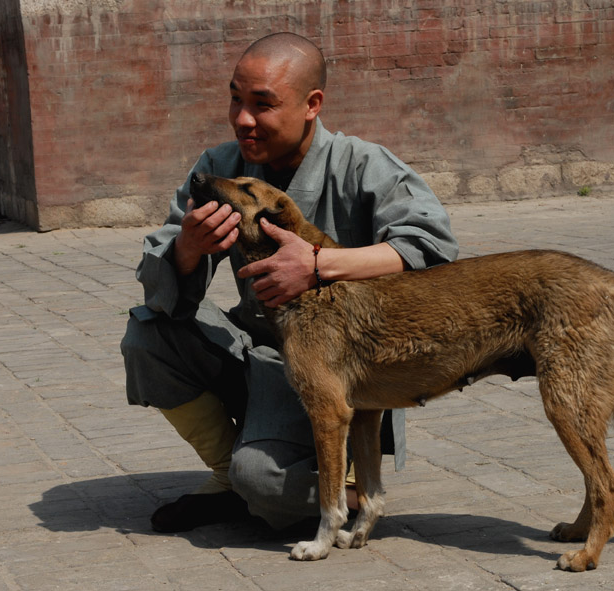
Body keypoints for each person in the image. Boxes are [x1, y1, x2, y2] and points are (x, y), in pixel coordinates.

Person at [120, 32, 459, 532]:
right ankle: (229, 480)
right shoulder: (220, 169)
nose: (242, 119)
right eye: (236, 99)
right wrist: (188, 249)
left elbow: (432, 248)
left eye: (262, 104)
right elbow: (159, 280)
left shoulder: (363, 166)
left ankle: (340, 483)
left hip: (338, 370)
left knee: (269, 487)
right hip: (260, 350)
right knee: (149, 335)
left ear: (311, 104)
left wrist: (320, 264)